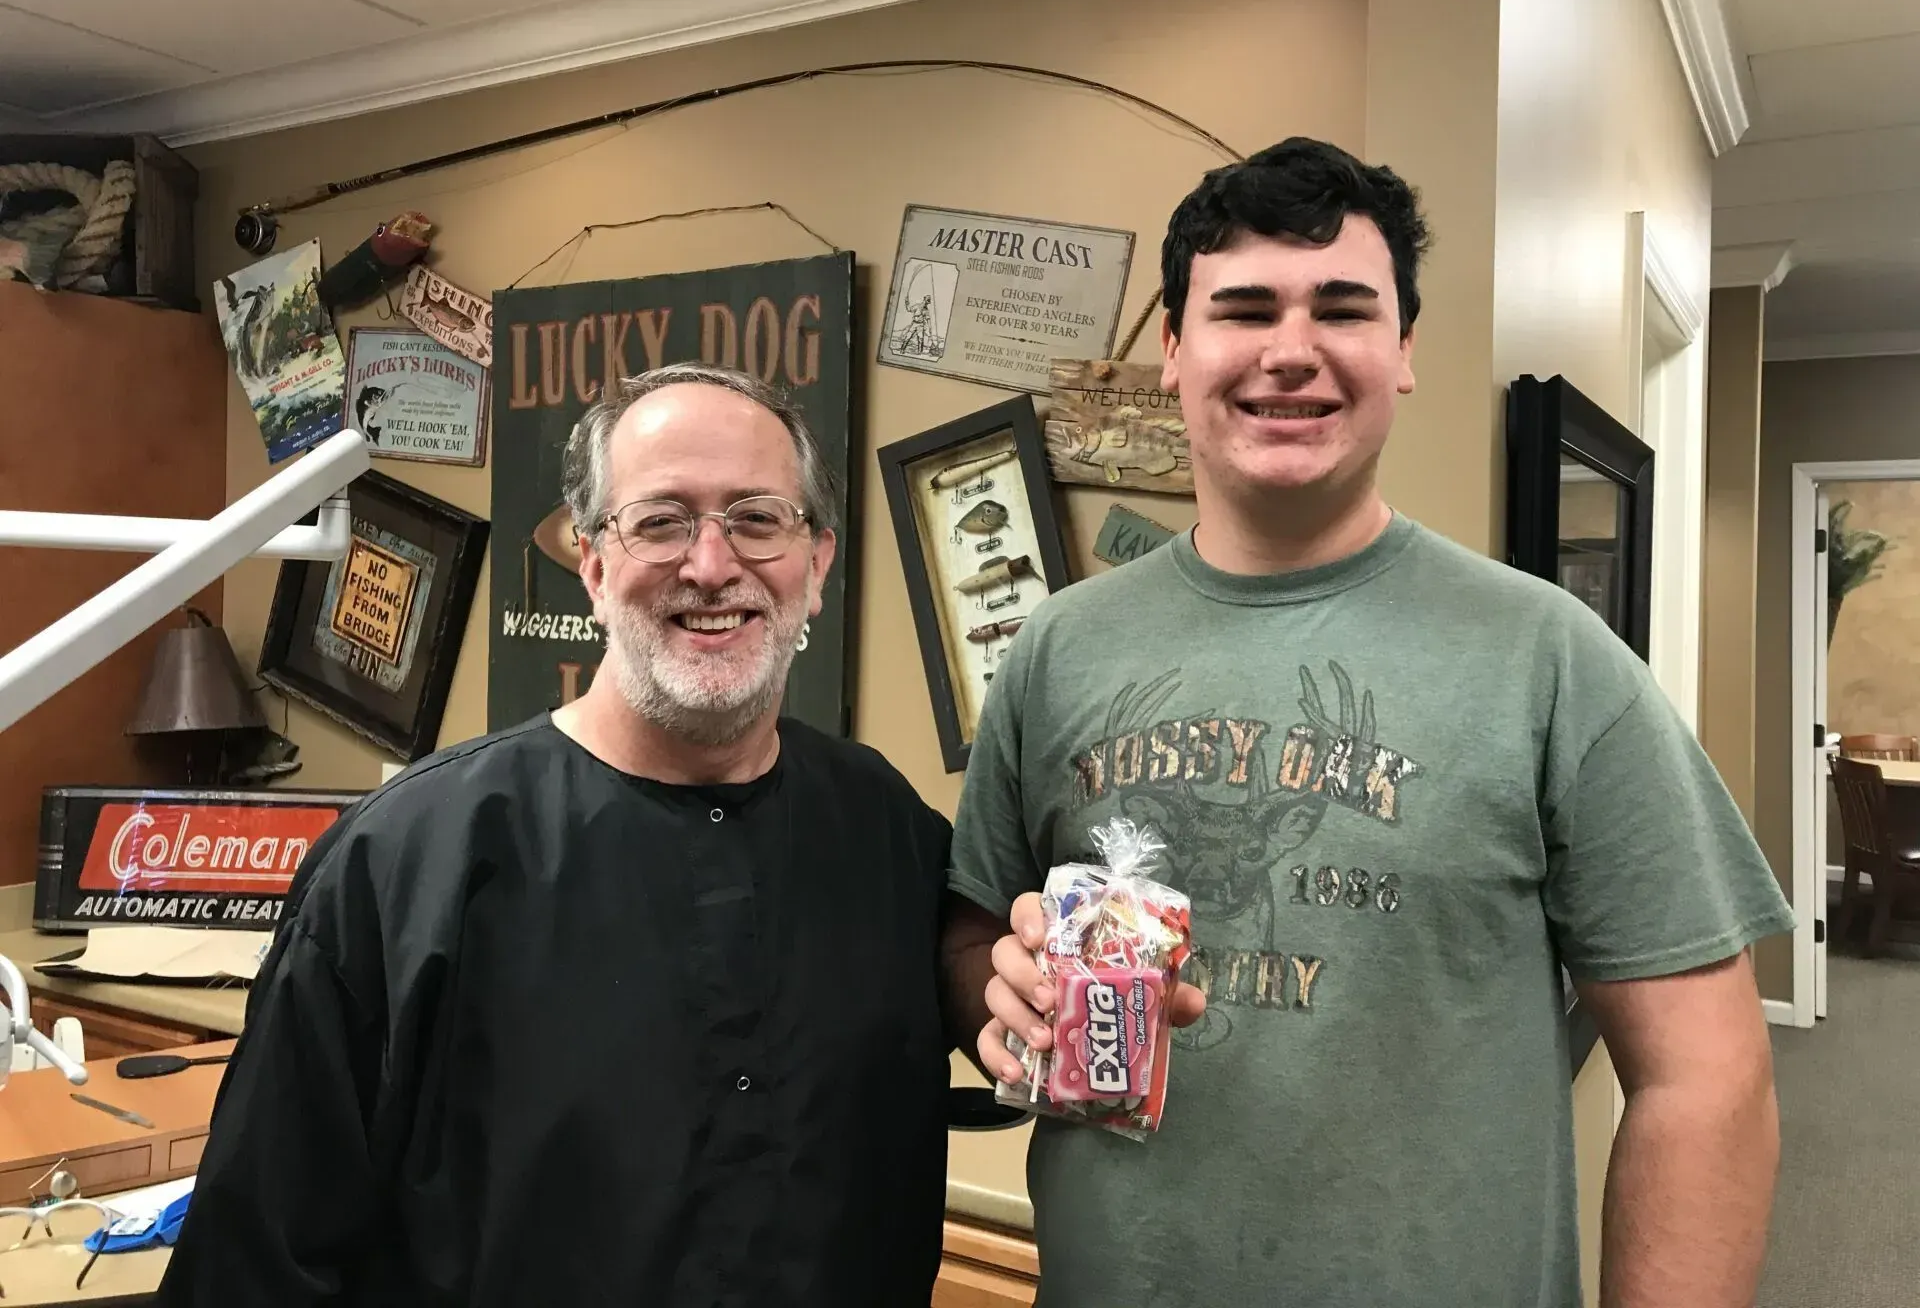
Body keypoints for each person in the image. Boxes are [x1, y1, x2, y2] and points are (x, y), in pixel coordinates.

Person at [941, 138, 1795, 1308]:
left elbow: (1709, 1079)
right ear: (1175, 354)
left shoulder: (1548, 658)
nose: (1291, 350)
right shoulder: (1053, 648)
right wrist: (1001, 986)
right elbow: (974, 925)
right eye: (1243, 309)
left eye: (1343, 309)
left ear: (1401, 354)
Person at [159, 363, 955, 1307]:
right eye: (660, 521)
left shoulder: (886, 833)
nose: (711, 564)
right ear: (592, 566)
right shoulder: (402, 867)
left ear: (816, 565)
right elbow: (254, 1268)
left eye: (757, 517)